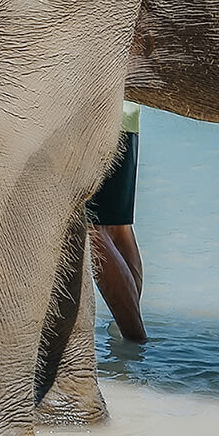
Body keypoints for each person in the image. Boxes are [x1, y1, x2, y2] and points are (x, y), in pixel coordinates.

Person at [86, 102, 147, 343]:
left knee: (91, 227)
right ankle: (129, 332)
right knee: (117, 226)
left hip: (93, 116)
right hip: (126, 114)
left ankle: (135, 338)